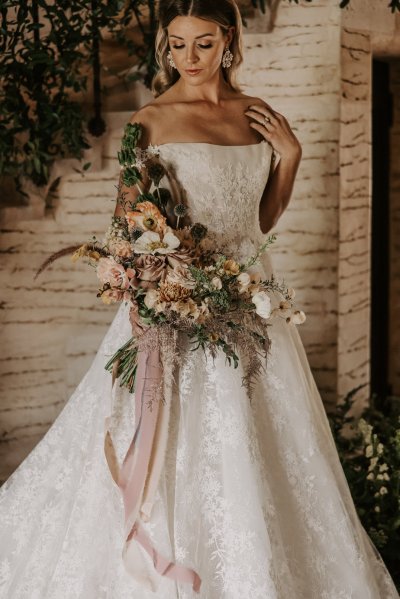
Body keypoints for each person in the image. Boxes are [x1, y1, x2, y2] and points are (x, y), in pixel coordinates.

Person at [0, 1, 398, 597]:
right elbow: (126, 231)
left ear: (229, 42)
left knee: (263, 445)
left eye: (203, 44)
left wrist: (289, 158)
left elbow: (256, 222)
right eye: (177, 44)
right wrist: (159, 288)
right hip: (173, 307)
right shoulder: (148, 123)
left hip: (250, 299)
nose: (188, 58)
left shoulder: (260, 116)